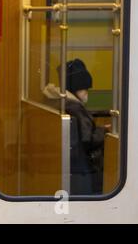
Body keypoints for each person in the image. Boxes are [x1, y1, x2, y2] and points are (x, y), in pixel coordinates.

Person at [43, 59, 107, 195]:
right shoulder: (75, 107)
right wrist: (103, 130)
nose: (87, 93)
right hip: (81, 168)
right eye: (84, 88)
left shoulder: (58, 101)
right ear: (74, 88)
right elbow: (87, 141)